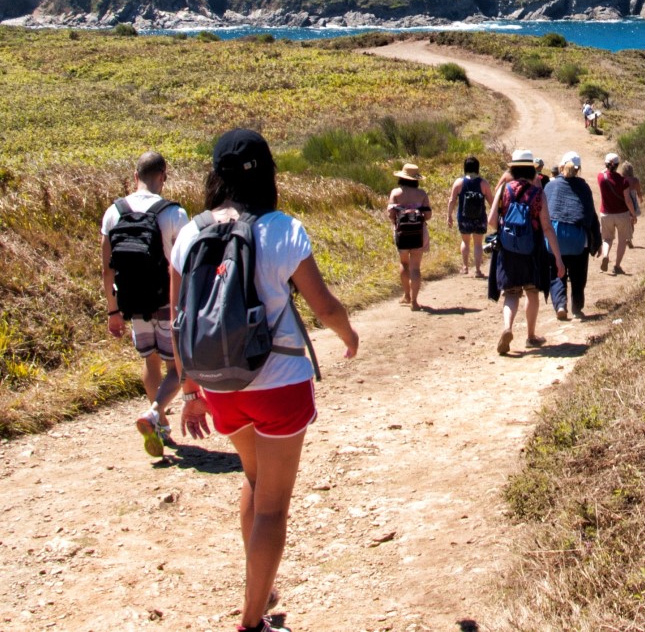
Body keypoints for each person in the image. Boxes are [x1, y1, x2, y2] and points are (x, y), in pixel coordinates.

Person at [171, 129, 358, 632]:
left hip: (220, 387)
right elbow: (324, 305)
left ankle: (261, 583)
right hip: (279, 385)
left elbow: (179, 318)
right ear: (268, 172)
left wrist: (190, 391)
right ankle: (252, 620)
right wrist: (349, 335)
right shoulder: (282, 229)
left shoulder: (192, 232)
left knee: (254, 482)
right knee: (274, 505)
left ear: (217, 174)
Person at [101, 151, 189, 457]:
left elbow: (107, 268)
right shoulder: (174, 213)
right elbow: (183, 265)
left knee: (150, 362)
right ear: (163, 175)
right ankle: (155, 413)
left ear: (135, 175)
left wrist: (113, 311)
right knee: (177, 367)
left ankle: (161, 427)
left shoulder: (114, 212)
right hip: (167, 300)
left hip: (133, 301)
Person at [488, 150, 563, 355]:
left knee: (511, 293)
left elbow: (492, 221)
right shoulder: (538, 193)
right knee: (532, 291)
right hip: (532, 250)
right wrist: (558, 258)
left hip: (508, 250)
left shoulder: (504, 188)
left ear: (512, 168)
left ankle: (507, 328)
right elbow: (547, 227)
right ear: (531, 169)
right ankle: (530, 336)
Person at [543, 151, 601, 319]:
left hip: (555, 238)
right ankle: (577, 307)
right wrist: (596, 240)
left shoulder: (551, 186)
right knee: (578, 275)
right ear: (578, 169)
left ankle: (561, 305)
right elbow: (590, 215)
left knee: (555, 274)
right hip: (578, 239)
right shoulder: (583, 187)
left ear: (561, 167)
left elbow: (544, 214)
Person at [387, 163, 432, 311]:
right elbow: (428, 215)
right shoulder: (422, 194)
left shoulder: (395, 193)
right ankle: (414, 301)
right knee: (415, 267)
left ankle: (406, 295)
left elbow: (391, 215)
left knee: (404, 264)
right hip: (419, 233)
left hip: (402, 233)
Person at [447, 156, 494, 277]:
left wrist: (449, 215)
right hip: (480, 217)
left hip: (464, 217)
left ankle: (465, 267)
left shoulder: (459, 182)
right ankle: (478, 270)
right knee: (478, 244)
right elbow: (491, 202)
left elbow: (452, 200)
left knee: (465, 242)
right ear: (477, 168)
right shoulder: (483, 183)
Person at [596, 152, 637, 275]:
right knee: (622, 240)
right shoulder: (623, 181)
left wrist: (608, 165)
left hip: (606, 213)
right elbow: (628, 200)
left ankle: (606, 255)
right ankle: (617, 265)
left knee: (607, 239)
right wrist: (633, 214)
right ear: (618, 165)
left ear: (606, 164)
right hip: (622, 214)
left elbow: (604, 171)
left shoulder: (600, 177)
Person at [620, 160, 643, 248]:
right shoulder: (635, 180)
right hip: (632, 201)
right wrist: (641, 198)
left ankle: (625, 238)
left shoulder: (622, 180)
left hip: (623, 201)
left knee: (624, 222)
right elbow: (639, 192)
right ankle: (629, 239)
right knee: (631, 222)